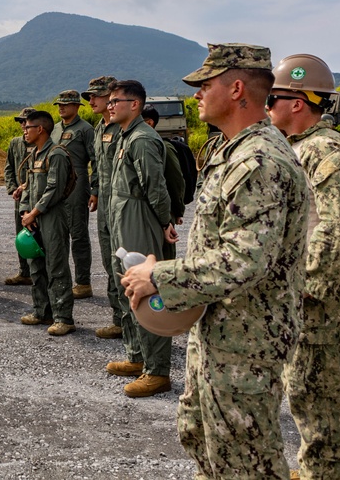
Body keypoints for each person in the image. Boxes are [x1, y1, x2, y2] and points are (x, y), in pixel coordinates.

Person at [121, 43, 309, 478]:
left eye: (205, 85)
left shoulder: (258, 160)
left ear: (237, 87)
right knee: (201, 435)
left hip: (248, 337)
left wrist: (159, 274)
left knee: (245, 462)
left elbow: (244, 260)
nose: (196, 95)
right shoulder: (232, 151)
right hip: (222, 329)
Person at [266, 54, 340, 480]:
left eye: (273, 98)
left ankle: (322, 473)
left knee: (317, 397)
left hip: (320, 298)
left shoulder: (325, 150)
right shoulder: (301, 148)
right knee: (307, 391)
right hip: (308, 291)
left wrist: (309, 287)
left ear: (299, 103)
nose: (267, 107)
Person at [105, 80, 177, 398]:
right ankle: (137, 358)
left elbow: (155, 186)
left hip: (139, 217)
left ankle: (157, 371)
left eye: (115, 101)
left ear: (134, 105)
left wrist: (164, 222)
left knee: (146, 291)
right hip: (122, 216)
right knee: (126, 287)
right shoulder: (127, 136)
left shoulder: (143, 139)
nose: (109, 106)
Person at [17, 110, 75, 336]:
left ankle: (63, 317)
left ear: (40, 129)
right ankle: (42, 311)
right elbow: (28, 186)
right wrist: (25, 210)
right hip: (34, 217)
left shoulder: (56, 154)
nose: (24, 130)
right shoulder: (34, 154)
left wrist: (34, 212)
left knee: (56, 266)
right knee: (36, 265)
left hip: (51, 216)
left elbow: (54, 189)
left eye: (28, 127)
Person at [84, 76, 122, 339]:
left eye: (95, 95)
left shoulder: (123, 128)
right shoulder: (99, 127)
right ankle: (119, 319)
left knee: (123, 262)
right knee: (110, 261)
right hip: (106, 203)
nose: (91, 101)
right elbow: (97, 165)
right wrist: (95, 191)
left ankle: (130, 321)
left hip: (122, 204)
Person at [51, 90, 96, 299]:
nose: (61, 107)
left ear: (77, 106)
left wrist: (95, 190)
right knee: (57, 235)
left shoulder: (85, 129)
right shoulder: (55, 128)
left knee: (78, 235)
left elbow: (96, 161)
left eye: (66, 104)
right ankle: (61, 278)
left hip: (77, 184)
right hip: (55, 186)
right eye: (59, 104)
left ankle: (83, 282)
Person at [141, 104, 187, 262]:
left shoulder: (164, 147)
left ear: (149, 123)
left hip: (163, 211)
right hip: (143, 212)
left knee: (163, 259)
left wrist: (178, 210)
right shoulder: (139, 145)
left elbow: (175, 181)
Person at [4, 108, 35, 286]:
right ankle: (25, 271)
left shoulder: (45, 143)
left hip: (36, 197)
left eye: (27, 121)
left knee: (38, 235)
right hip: (19, 197)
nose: (23, 125)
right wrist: (12, 188)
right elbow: (9, 167)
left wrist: (27, 186)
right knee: (22, 235)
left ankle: (40, 272)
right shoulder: (15, 143)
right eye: (21, 122)